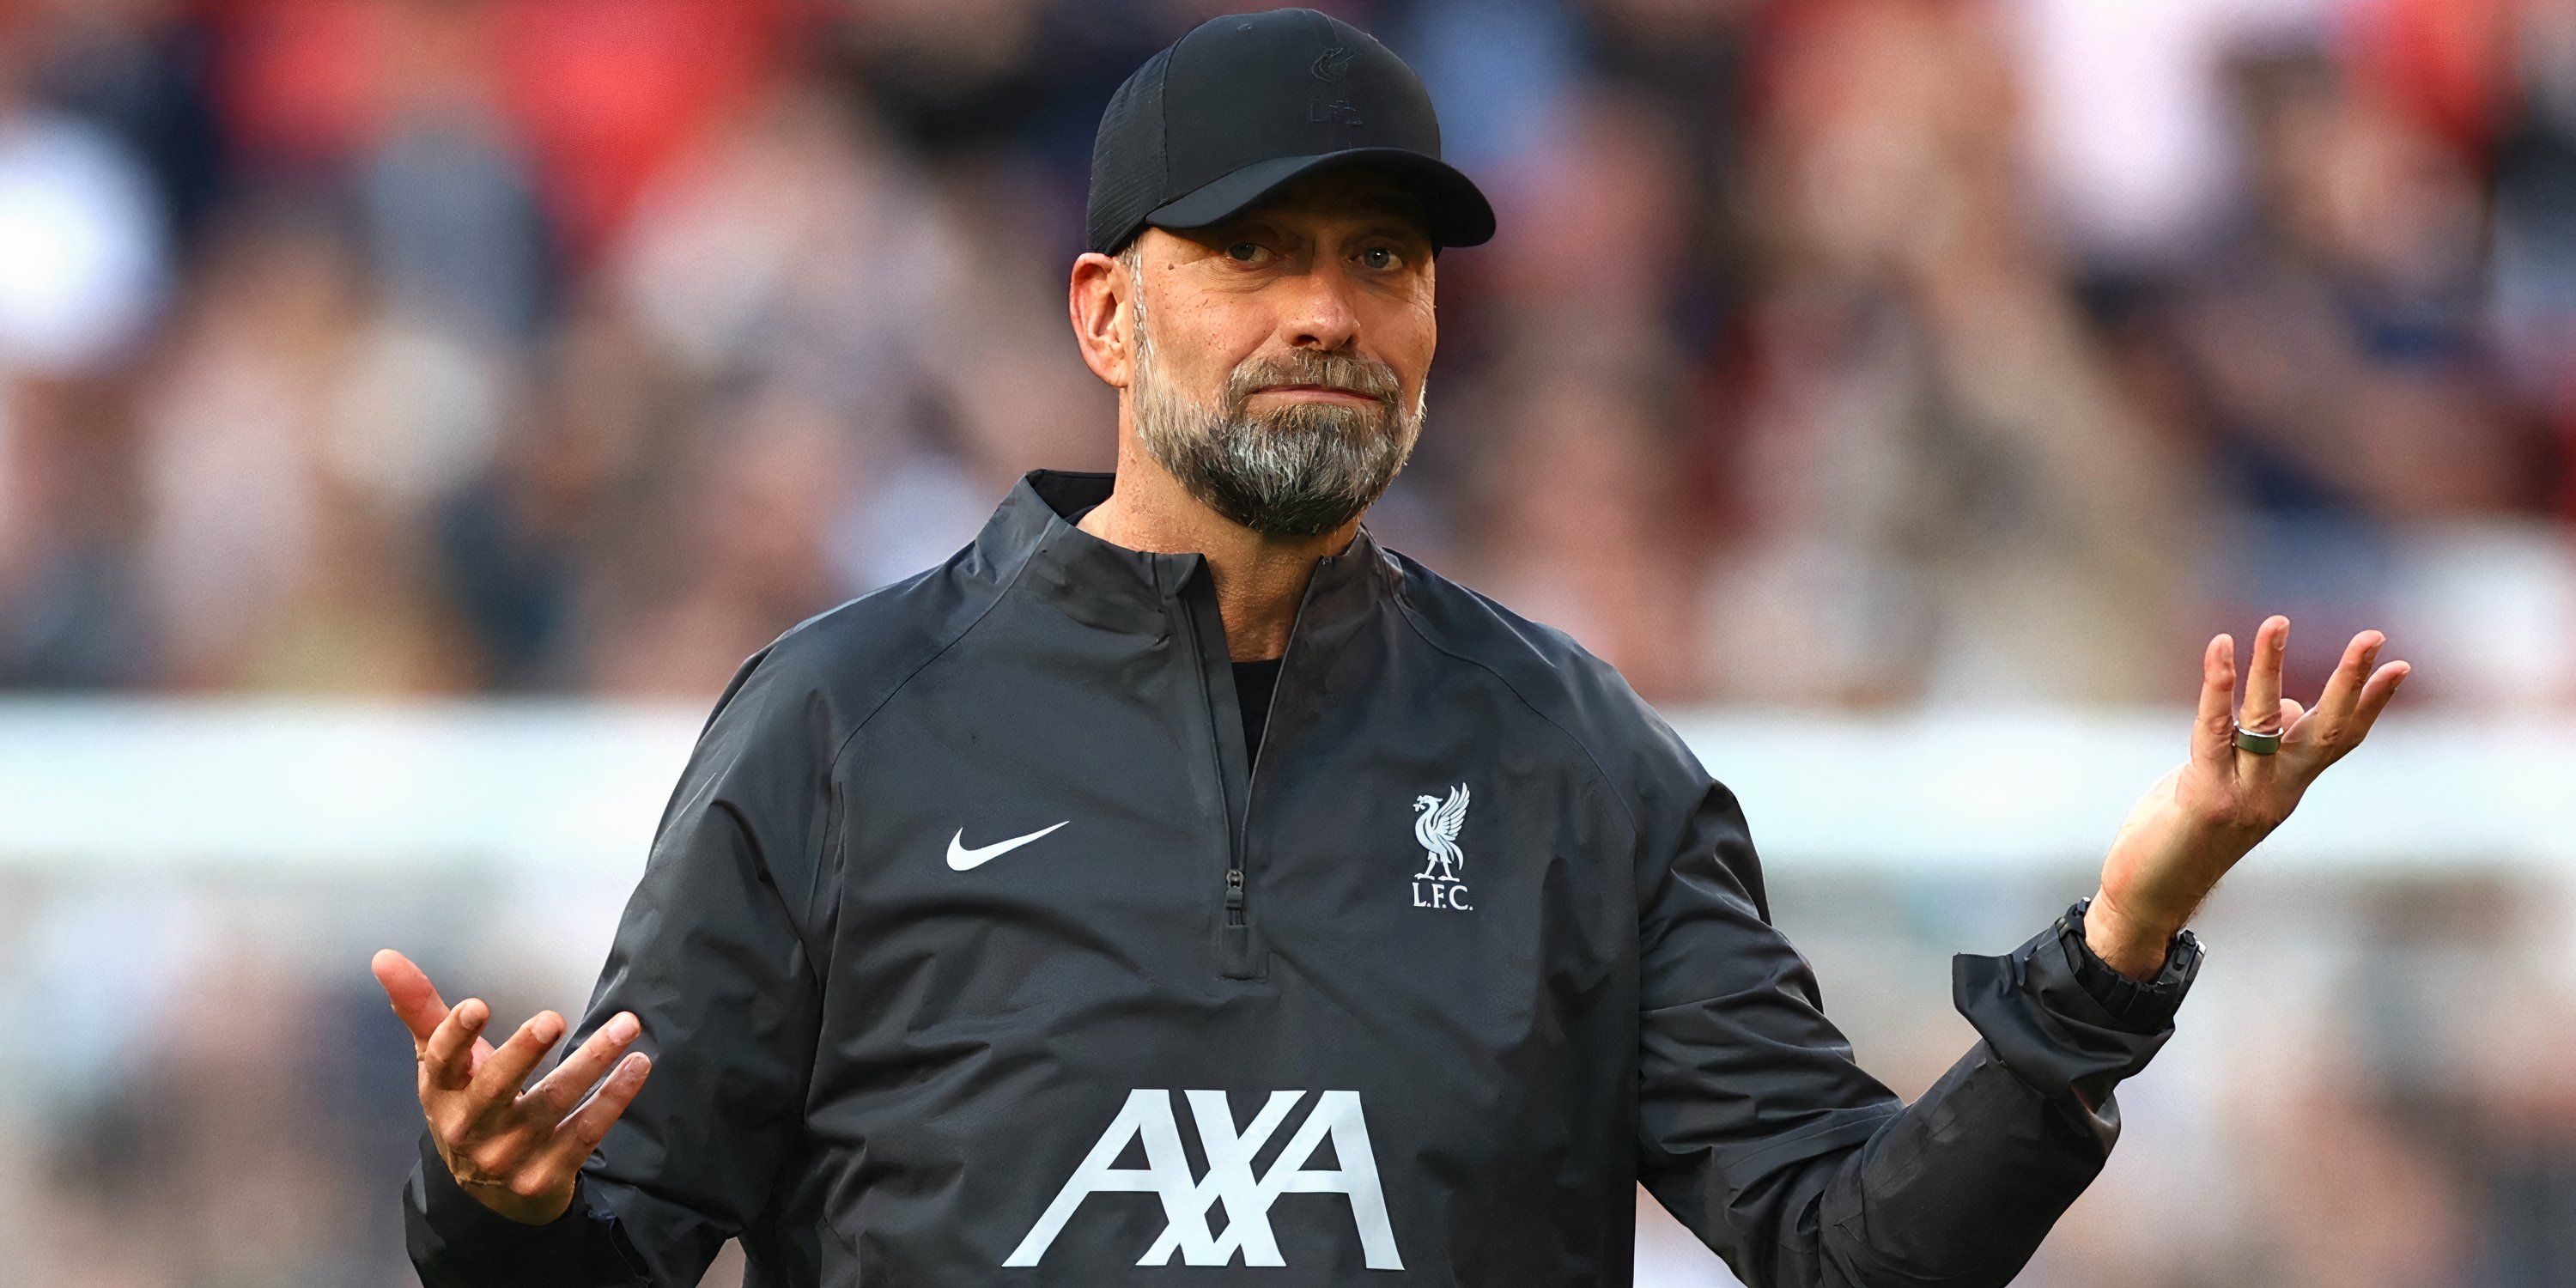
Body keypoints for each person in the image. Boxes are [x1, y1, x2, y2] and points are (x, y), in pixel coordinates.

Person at [374, 9, 2412, 1285]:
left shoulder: (1570, 755)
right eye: (1254, 253)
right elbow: (612, 1247)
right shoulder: (841, 726)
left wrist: (2115, 954)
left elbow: (1841, 1244)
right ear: (1103, 313)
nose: (1328, 312)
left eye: (1381, 258)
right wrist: (497, 1206)